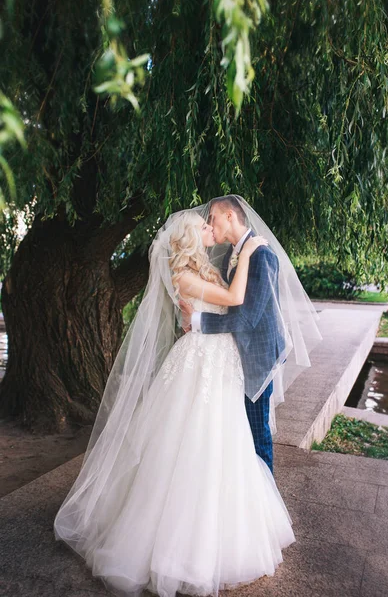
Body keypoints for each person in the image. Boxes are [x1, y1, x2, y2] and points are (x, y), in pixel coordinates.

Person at [53, 208, 298, 597]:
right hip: (201, 361)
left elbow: (236, 307)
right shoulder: (184, 275)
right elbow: (235, 299)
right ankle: (180, 547)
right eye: (203, 226)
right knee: (191, 443)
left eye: (210, 222)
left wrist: (238, 266)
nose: (209, 228)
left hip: (219, 362)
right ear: (187, 237)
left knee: (224, 442)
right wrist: (248, 253)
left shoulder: (204, 269)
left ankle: (222, 530)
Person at [180, 195, 284, 475]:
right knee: (235, 432)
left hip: (257, 356)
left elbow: (247, 317)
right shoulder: (231, 254)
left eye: (212, 218)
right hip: (232, 357)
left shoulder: (262, 254)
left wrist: (198, 321)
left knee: (256, 432)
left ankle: (266, 504)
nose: (210, 226)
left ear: (229, 216)